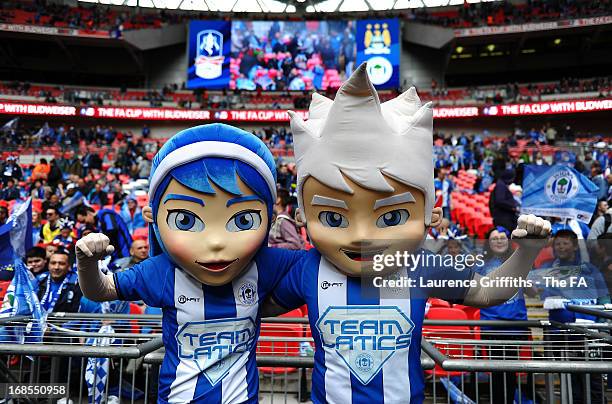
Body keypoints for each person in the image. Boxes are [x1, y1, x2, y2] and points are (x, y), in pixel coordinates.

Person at [267, 64, 550, 403]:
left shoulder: (419, 264)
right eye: (333, 216)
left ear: (431, 214)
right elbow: (250, 305)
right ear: (302, 217)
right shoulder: (306, 268)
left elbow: (489, 293)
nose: (361, 235)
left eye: (392, 216)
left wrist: (527, 252)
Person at [75, 124, 308, 402]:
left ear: (269, 218)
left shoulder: (266, 265)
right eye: (185, 219)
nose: (215, 242)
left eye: (243, 219)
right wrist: (86, 263)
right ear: (154, 216)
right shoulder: (162, 271)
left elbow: (324, 266)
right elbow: (99, 290)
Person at [535, 229, 610, 404]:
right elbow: (544, 296)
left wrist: (600, 325)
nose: (561, 247)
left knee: (593, 384)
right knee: (571, 385)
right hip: (561, 336)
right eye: (558, 243)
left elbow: (602, 298)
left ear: (575, 245)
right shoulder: (549, 269)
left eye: (565, 243)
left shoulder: (589, 270)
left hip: (590, 335)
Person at [475, 227, 533, 404]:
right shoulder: (480, 265)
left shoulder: (519, 262)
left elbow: (533, 291)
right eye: (494, 238)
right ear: (488, 243)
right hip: (492, 326)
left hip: (515, 326)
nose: (499, 241)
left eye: (502, 238)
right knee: (496, 372)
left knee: (510, 372)